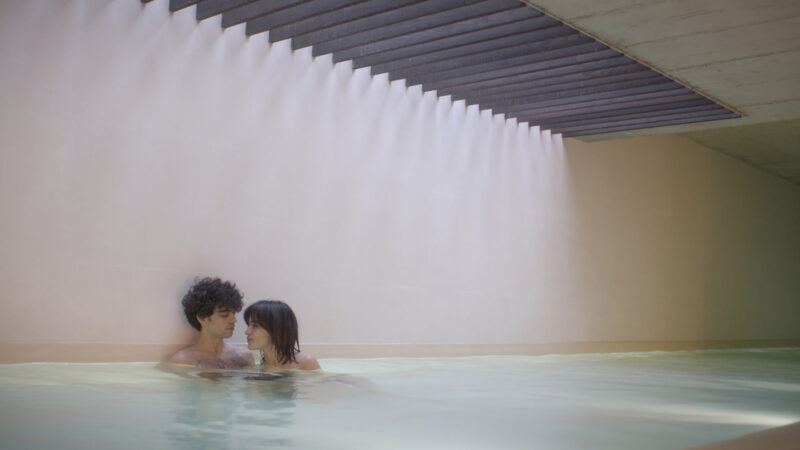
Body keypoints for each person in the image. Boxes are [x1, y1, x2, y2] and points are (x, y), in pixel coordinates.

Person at [169, 277, 254, 368]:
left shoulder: (245, 357)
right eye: (224, 314)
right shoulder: (183, 361)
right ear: (202, 318)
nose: (234, 320)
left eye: (233, 313)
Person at [244, 300, 320, 370]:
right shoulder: (259, 369)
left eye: (255, 325)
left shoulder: (306, 363)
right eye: (248, 325)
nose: (247, 332)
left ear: (277, 329)